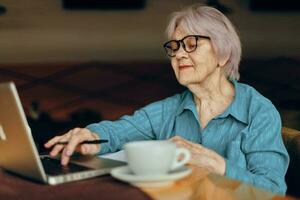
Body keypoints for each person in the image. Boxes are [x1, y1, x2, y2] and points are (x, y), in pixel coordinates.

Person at [45, 4, 289, 195]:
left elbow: (273, 190)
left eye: (191, 44)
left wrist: (219, 166)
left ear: (223, 54)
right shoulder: (169, 109)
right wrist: (91, 137)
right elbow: (120, 130)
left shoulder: (258, 111)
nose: (179, 53)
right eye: (174, 46)